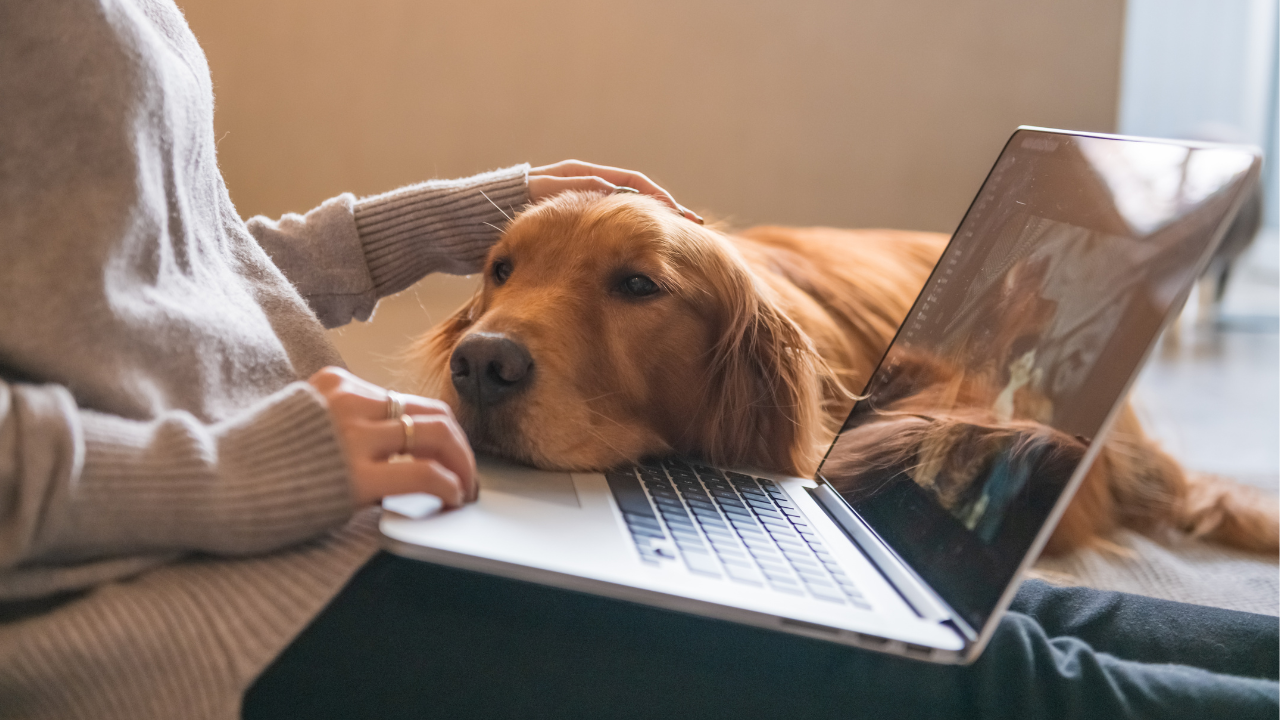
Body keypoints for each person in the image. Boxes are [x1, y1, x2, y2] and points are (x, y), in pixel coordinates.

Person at [0, 2, 1275, 719]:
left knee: (984, 607)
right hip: (166, 589)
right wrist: (237, 474)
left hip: (314, 505)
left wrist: (440, 223)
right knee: (992, 692)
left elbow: (140, 254)